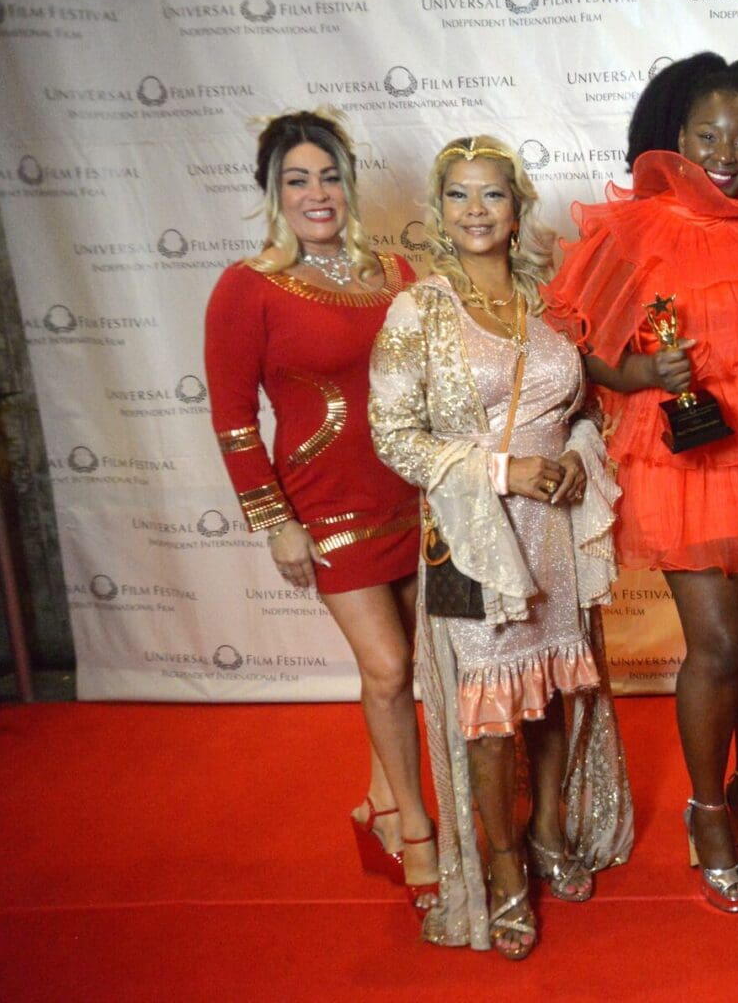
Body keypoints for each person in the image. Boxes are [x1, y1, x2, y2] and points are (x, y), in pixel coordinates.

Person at [544, 52, 738, 914]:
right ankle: (706, 812)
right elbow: (570, 344)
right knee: (718, 644)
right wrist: (633, 375)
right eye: (708, 133)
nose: (726, 151)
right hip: (684, 457)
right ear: (672, 135)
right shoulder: (633, 228)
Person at [369, 136, 632, 957]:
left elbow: (584, 408)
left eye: (492, 195)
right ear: (439, 210)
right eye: (458, 195)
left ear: (517, 210)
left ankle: (550, 830)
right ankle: (505, 865)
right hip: (469, 539)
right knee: (486, 713)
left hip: (552, 531)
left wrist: (575, 458)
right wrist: (501, 469)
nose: (475, 210)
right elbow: (392, 435)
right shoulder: (420, 309)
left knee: (551, 691)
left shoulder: (546, 305)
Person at [203, 108, 437, 916]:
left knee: (420, 667)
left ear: (349, 183)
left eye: (329, 175)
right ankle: (414, 830)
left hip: (416, 496)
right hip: (327, 507)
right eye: (297, 179)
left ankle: (377, 797)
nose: (317, 192)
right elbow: (234, 421)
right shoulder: (247, 287)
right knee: (387, 669)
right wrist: (276, 522)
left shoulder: (400, 273)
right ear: (273, 191)